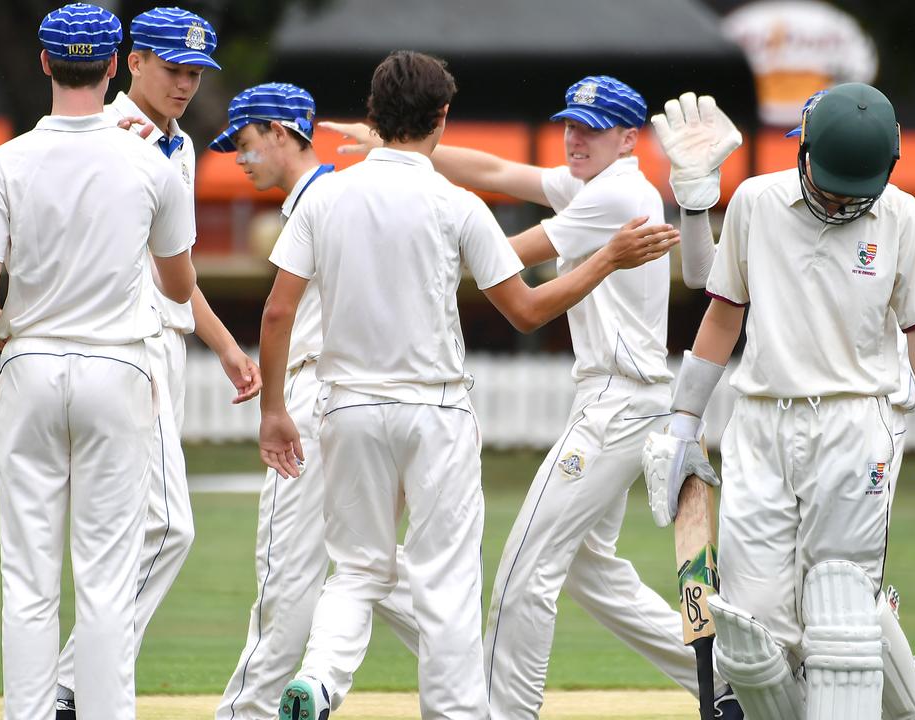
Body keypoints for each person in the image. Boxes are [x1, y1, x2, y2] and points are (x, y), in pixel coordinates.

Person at [262, 52, 679, 720]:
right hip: (441, 409)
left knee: (372, 570)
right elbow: (497, 200)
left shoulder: (328, 194)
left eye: (592, 128)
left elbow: (280, 310)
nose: (576, 136)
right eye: (571, 123)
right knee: (476, 578)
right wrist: (419, 188)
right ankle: (722, 682)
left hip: (358, 407)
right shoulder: (483, 203)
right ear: (442, 117)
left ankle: (327, 679)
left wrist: (273, 409)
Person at [643, 81, 915, 720]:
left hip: (857, 425)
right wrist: (681, 422)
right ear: (801, 149)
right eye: (826, 184)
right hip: (760, 425)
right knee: (753, 634)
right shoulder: (756, 200)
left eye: (850, 192)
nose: (835, 202)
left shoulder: (902, 217)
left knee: (839, 617)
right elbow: (722, 313)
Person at [0, 5, 197, 718]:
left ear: (43, 63)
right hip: (116, 366)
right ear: (117, 62)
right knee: (106, 576)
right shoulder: (149, 161)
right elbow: (179, 285)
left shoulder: (5, 160)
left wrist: (6, 334)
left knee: (28, 575)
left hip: (30, 364)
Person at [51, 7, 262, 717]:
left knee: (134, 531)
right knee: (167, 527)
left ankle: (78, 687)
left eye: (195, 72)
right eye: (172, 68)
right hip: (121, 348)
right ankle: (75, 685)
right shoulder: (107, 135)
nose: (185, 83)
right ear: (132, 61)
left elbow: (178, 268)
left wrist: (226, 344)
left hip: (159, 342)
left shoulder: (183, 147)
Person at [206, 82, 421, 720]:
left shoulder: (318, 202)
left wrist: (275, 408)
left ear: (279, 131)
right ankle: (483, 677)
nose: (240, 160)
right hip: (362, 397)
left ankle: (247, 713)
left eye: (245, 144)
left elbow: (279, 315)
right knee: (369, 566)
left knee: (286, 573)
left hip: (315, 392)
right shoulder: (347, 192)